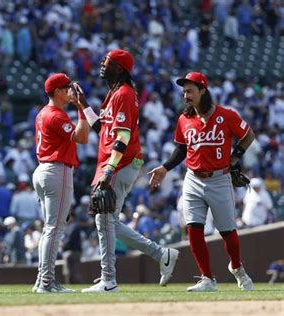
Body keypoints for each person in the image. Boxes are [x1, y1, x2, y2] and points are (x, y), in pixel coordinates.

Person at [75, 49, 179, 293]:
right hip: (115, 162)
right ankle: (162, 254)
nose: (102, 63)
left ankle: (108, 279)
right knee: (108, 222)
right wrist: (83, 104)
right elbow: (104, 129)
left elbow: (123, 136)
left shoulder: (123, 93)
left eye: (107, 61)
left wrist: (110, 169)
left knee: (104, 221)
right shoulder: (115, 94)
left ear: (119, 68)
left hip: (120, 162)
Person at [148, 71, 254, 292]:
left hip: (219, 179)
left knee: (228, 234)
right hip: (193, 179)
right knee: (193, 229)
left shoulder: (226, 115)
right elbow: (181, 149)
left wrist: (235, 157)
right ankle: (207, 278)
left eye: (190, 90)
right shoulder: (184, 119)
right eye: (184, 91)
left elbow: (248, 135)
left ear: (203, 90)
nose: (186, 95)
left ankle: (237, 268)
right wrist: (165, 167)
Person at [32, 73, 89, 293]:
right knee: (54, 230)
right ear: (57, 91)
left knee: (50, 229)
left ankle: (42, 280)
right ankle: (46, 281)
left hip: (44, 170)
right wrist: (81, 106)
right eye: (67, 87)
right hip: (57, 169)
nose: (71, 91)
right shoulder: (55, 114)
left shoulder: (43, 112)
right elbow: (82, 137)